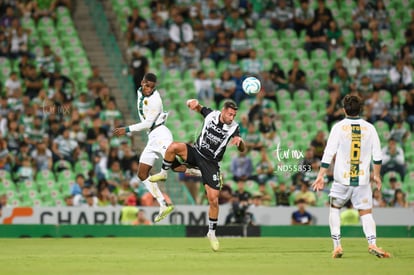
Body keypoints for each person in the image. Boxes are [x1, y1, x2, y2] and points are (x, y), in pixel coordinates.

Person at [149, 99, 245, 251]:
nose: (232, 118)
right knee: (173, 147)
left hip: (211, 163)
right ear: (223, 111)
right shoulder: (211, 115)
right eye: (229, 114)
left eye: (234, 115)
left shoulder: (234, 128)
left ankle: (211, 233)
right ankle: (163, 173)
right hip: (196, 153)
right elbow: (198, 107)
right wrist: (191, 103)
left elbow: (241, 148)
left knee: (213, 200)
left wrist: (240, 142)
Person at [312, 94, 391, 258]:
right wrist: (376, 175)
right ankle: (372, 243)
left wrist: (320, 175)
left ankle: (337, 246)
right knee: (366, 213)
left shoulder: (338, 127)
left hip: (341, 179)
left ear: (343, 110)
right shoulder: (370, 128)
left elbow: (328, 153)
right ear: (361, 109)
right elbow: (377, 156)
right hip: (362, 181)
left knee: (334, 209)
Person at [113, 73, 179, 223]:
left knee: (176, 165)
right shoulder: (139, 91)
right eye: (147, 85)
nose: (149, 89)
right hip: (152, 136)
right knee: (142, 174)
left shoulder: (155, 100)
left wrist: (127, 129)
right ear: (142, 82)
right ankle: (163, 204)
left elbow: (148, 124)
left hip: (160, 132)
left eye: (152, 87)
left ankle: (204, 171)